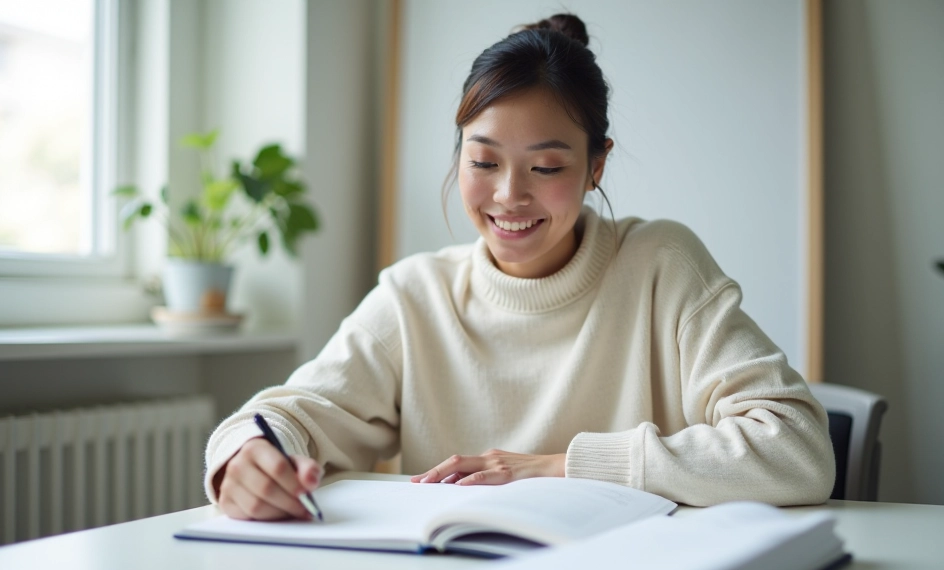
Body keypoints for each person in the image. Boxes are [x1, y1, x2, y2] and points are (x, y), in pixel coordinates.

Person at [205, 13, 835, 521]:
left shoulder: (660, 266)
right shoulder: (415, 296)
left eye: (548, 166)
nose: (509, 195)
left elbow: (798, 450)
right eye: (483, 163)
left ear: (597, 166)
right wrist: (249, 456)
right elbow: (288, 413)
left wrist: (557, 465)